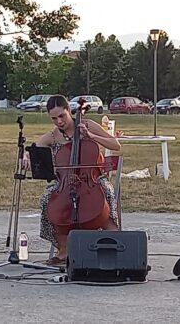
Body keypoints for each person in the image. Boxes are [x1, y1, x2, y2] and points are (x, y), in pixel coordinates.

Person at [21, 95, 122, 265]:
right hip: (66, 182)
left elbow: (115, 144)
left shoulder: (87, 125)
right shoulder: (53, 136)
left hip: (93, 178)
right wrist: (25, 156)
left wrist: (90, 136)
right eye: (54, 118)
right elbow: (33, 149)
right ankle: (64, 249)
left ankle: (113, 241)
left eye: (62, 116)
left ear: (69, 111)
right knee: (48, 198)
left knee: (107, 192)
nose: (59, 121)